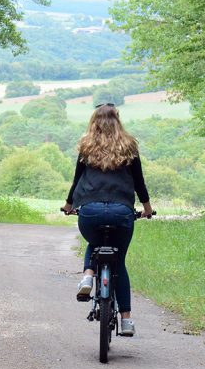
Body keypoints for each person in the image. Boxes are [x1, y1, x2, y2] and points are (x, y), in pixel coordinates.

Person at [62, 102, 153, 337]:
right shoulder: (129, 146)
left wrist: (69, 205)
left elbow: (77, 179)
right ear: (118, 120)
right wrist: (147, 208)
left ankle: (88, 276)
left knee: (94, 242)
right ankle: (126, 321)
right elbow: (139, 181)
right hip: (122, 211)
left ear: (94, 121)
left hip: (90, 210)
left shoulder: (86, 145)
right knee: (119, 261)